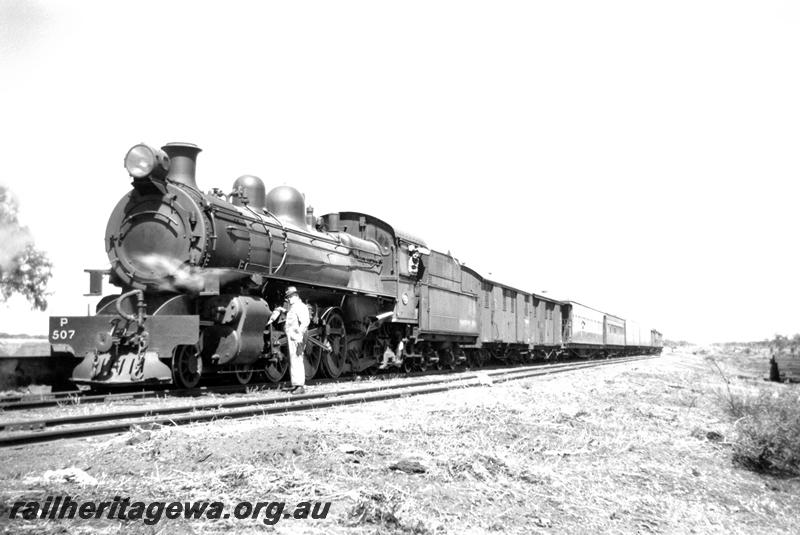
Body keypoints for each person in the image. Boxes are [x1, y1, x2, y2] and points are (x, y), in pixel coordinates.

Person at [267, 286, 310, 393]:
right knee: (293, 359)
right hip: (292, 336)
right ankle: (296, 384)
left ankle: (300, 386)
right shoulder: (293, 307)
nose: (288, 299)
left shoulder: (300, 306)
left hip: (297, 337)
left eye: (290, 297)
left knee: (297, 359)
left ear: (295, 296)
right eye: (288, 297)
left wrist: (299, 334)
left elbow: (305, 322)